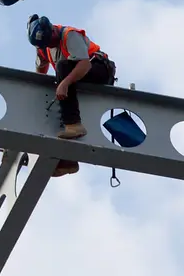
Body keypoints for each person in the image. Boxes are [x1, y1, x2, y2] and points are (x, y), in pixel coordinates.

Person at [27, 14, 117, 176]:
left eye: (50, 41)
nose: (49, 45)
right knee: (59, 104)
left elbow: (85, 65)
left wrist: (65, 84)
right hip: (77, 77)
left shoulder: (70, 35)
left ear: (53, 30)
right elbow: (40, 72)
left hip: (99, 68)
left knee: (62, 69)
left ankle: (74, 125)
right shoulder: (42, 47)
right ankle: (67, 161)